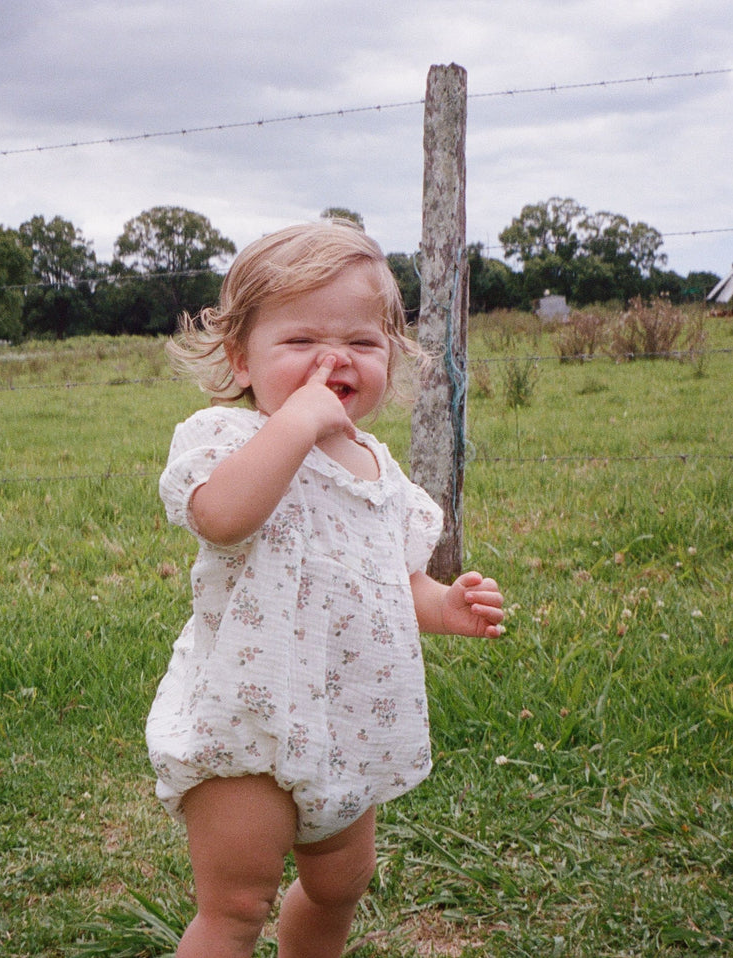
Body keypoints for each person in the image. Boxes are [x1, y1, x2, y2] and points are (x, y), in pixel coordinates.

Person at [147, 219, 506, 958]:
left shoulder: (380, 474)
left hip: (349, 724)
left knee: (340, 885)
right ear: (240, 357)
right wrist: (298, 424)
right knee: (237, 904)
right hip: (244, 720)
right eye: (301, 341)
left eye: (362, 343)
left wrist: (444, 606)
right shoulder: (227, 440)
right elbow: (220, 518)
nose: (332, 359)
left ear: (392, 359)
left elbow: (389, 584)